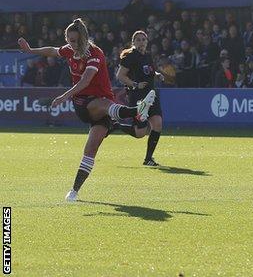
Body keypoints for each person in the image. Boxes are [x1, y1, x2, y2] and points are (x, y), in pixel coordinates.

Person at [18, 19, 155, 202]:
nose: (71, 45)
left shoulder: (95, 53)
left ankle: (74, 192)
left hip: (100, 108)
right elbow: (52, 50)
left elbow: (86, 80)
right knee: (105, 105)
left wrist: (63, 96)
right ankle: (137, 110)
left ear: (83, 38)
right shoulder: (70, 50)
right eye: (69, 40)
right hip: (83, 104)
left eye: (74, 41)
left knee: (90, 150)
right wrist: (30, 51)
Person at [116, 30, 166, 166]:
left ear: (147, 42)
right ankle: (115, 125)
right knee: (140, 133)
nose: (141, 42)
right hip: (138, 97)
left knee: (158, 124)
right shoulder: (130, 56)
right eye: (138, 40)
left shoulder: (147, 56)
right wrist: (135, 84)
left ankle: (148, 159)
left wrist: (156, 74)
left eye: (143, 39)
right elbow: (120, 76)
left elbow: (147, 70)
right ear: (133, 42)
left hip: (151, 95)